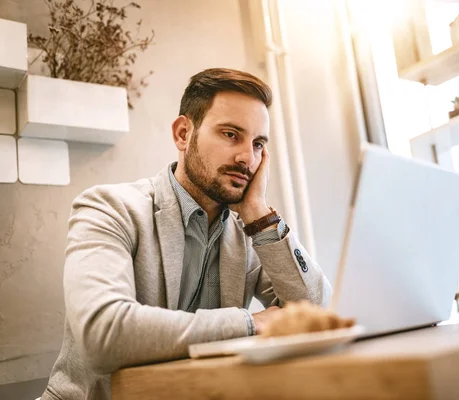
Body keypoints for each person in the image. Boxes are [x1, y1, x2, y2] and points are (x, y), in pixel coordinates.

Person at [42, 68, 332, 400]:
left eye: (258, 144)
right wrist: (251, 324)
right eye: (230, 134)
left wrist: (258, 214)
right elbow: (104, 336)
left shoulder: (249, 235)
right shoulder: (108, 207)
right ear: (183, 133)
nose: (246, 157)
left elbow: (315, 311)